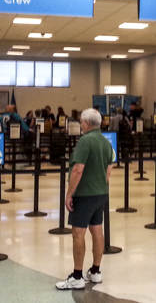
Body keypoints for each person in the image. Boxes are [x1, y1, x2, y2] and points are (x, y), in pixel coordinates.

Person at [56, 108, 114, 290]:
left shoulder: (85, 141)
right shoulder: (106, 142)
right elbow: (109, 170)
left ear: (87, 123)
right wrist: (100, 185)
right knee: (97, 230)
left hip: (85, 194)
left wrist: (69, 194)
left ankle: (77, 276)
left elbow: (77, 169)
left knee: (78, 233)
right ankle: (95, 271)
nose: (80, 124)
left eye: (81, 121)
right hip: (101, 193)